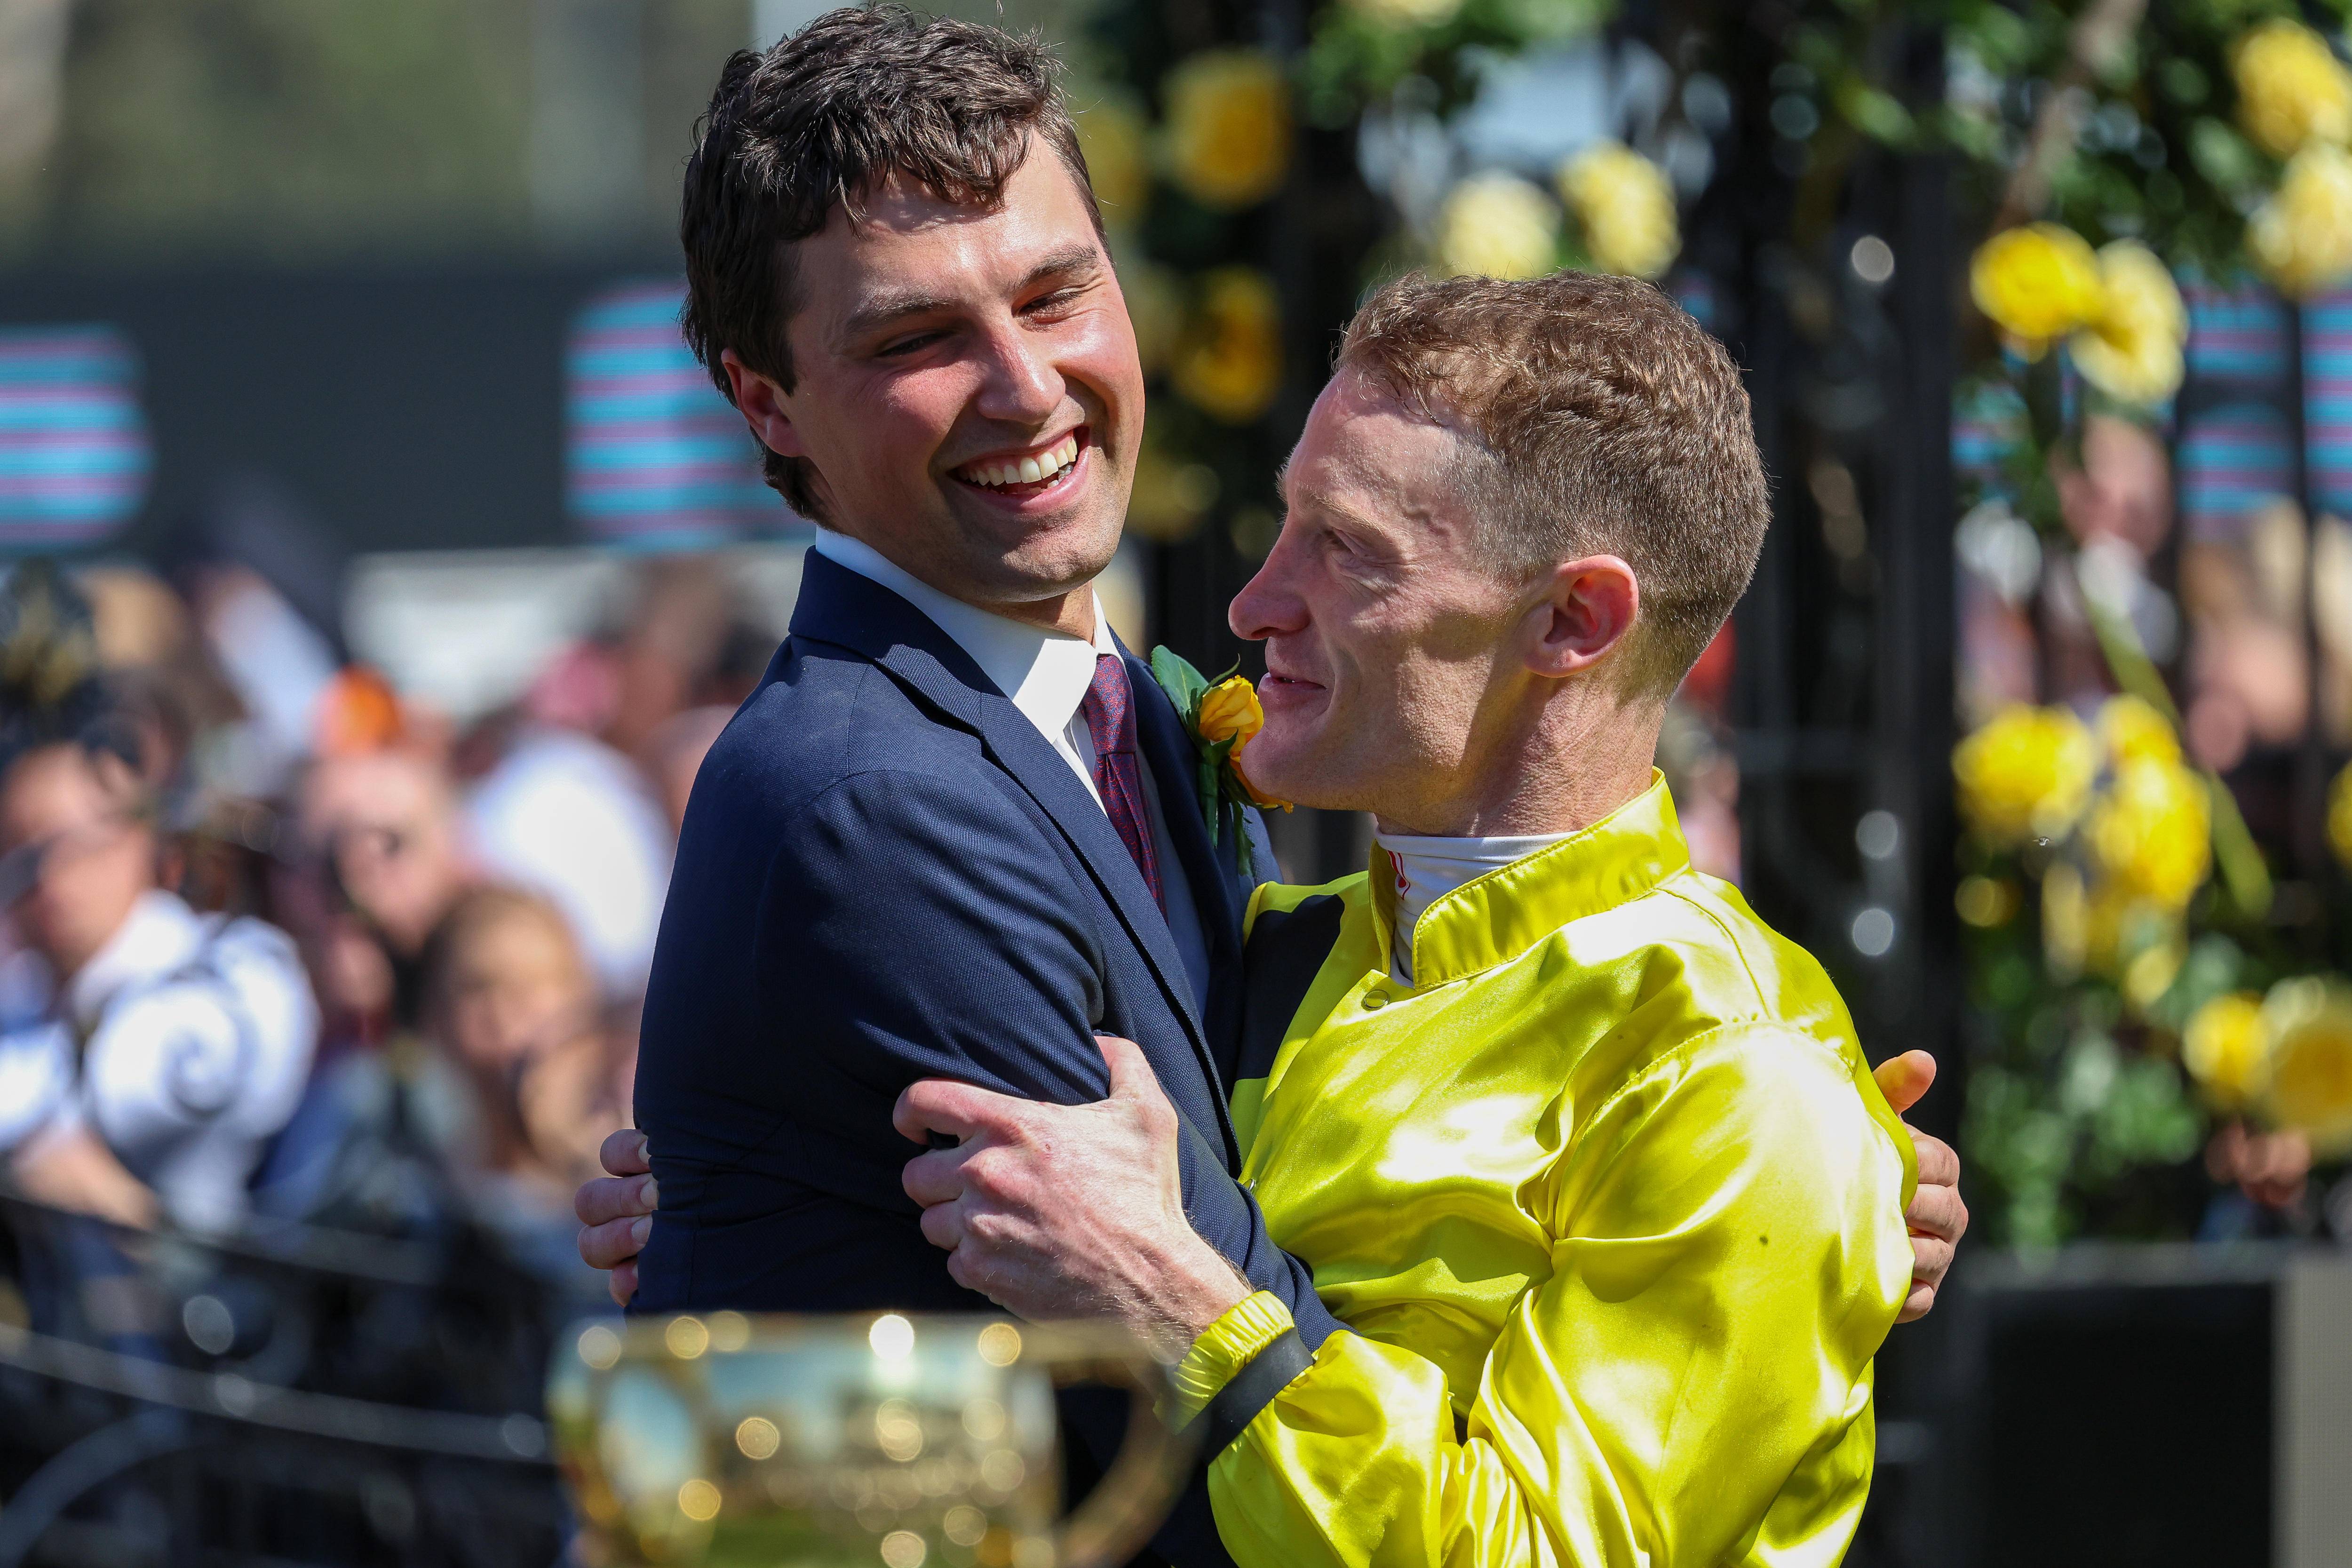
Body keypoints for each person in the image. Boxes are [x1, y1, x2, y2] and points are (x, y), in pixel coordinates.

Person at [583, 10, 1968, 1565]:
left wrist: (1791, 1190)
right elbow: (1145, 1368)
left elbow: (1194, 1220)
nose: (1026, 387)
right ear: (763, 400)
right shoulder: (870, 797)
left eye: (1057, 293)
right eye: (915, 339)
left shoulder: (1174, 762)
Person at [0, 576, 317, 1236]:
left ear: (146, 836)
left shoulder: (241, 966)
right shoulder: (21, 994)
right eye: (22, 850)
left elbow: (130, 1082)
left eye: (81, 842)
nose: (52, 877)